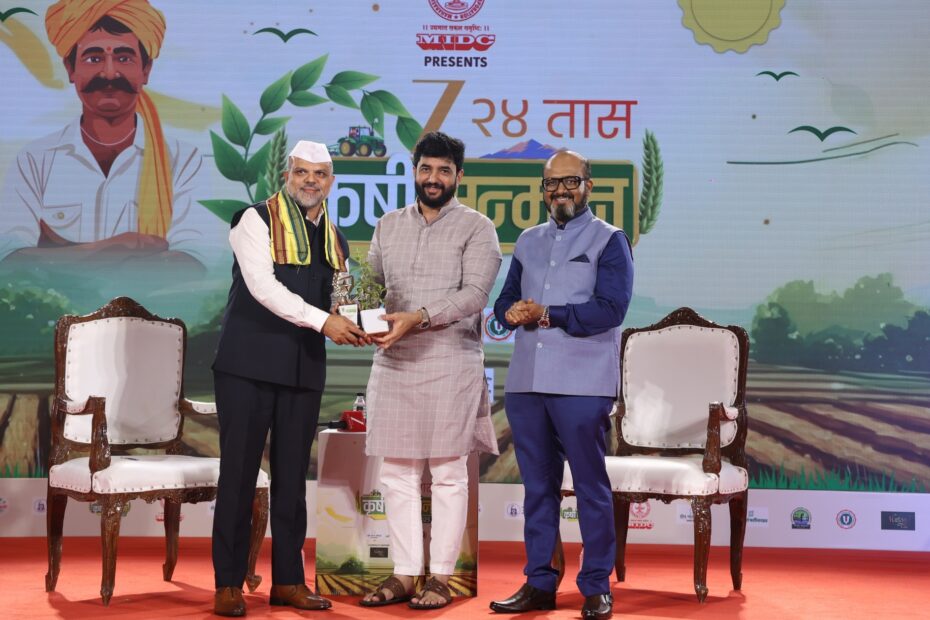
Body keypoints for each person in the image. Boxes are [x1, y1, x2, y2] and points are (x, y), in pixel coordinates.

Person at [211, 140, 368, 617]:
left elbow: (340, 297)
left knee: (292, 481)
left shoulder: (335, 239)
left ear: (331, 182)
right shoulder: (253, 220)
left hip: (302, 366)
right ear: (287, 175)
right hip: (248, 365)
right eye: (302, 172)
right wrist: (326, 322)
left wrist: (361, 320)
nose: (310, 181)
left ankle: (287, 581)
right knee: (238, 475)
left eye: (319, 174)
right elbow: (263, 288)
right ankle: (228, 582)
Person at [359, 132, 502, 610]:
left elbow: (475, 295)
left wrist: (417, 317)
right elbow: (370, 286)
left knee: (447, 473)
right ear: (414, 171)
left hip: (451, 361)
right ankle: (403, 573)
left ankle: (439, 576)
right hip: (394, 361)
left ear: (459, 176)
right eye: (426, 169)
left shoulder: (478, 228)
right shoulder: (386, 225)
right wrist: (355, 312)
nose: (434, 178)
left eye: (444, 170)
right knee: (396, 473)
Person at [490, 150, 633, 620]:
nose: (561, 191)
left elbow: (611, 310)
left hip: (582, 383)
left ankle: (596, 585)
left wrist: (549, 315)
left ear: (589, 184)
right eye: (552, 184)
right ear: (542, 189)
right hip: (528, 382)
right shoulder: (528, 241)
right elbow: (506, 300)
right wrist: (506, 313)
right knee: (538, 488)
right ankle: (539, 583)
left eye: (570, 182)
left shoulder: (609, 240)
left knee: (591, 486)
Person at [0, 0, 213, 267]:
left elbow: (192, 264)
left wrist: (64, 254)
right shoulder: (35, 160)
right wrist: (119, 246)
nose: (109, 72)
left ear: (145, 70)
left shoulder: (183, 161)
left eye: (124, 58)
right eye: (94, 58)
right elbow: (11, 263)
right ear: (71, 70)